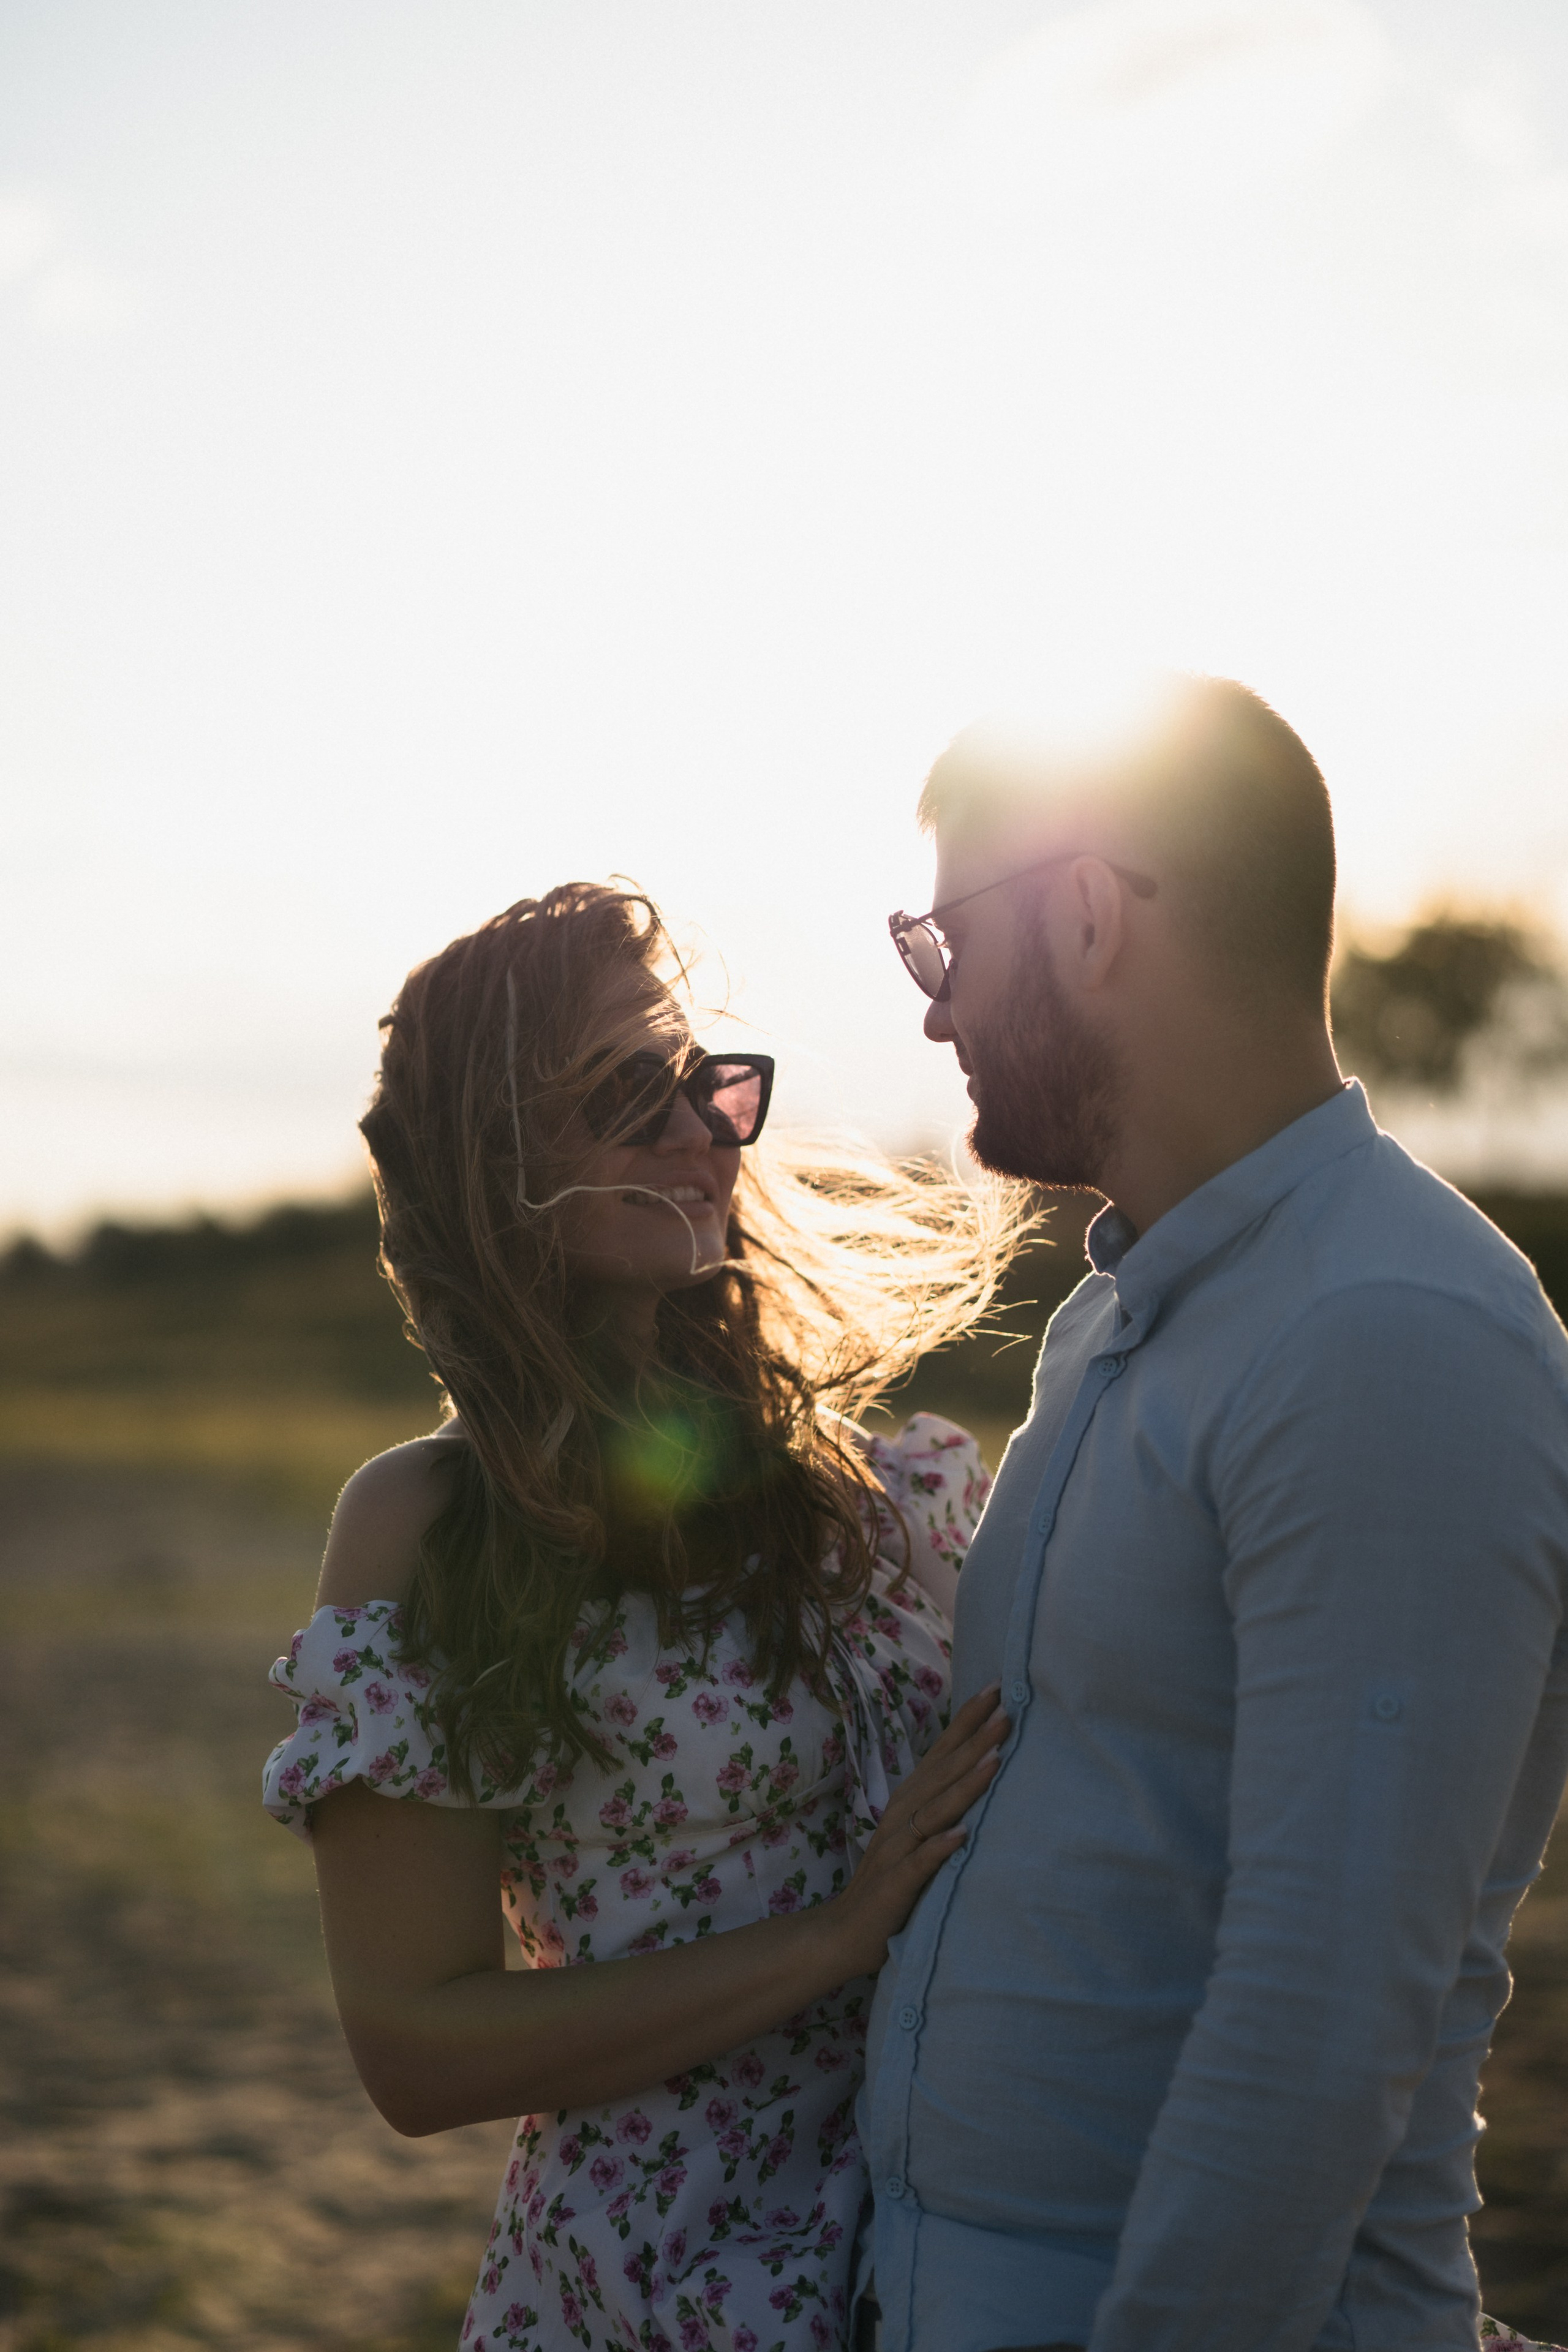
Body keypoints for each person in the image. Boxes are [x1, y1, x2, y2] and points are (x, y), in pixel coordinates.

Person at [864, 676, 1568, 2352]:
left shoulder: (1386, 1335)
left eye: (945, 949)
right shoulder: (1116, 1318)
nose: (936, 1018)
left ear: (1091, 916)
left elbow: (1323, 2018)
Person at [262, 882, 1023, 2352]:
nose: (697, 1136)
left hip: (959, 2244)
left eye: (710, 1086)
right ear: (493, 1164)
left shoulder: (889, 1491)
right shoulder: (428, 1529)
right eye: (628, 1097)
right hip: (651, 2284)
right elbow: (414, 2046)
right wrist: (834, 1936)